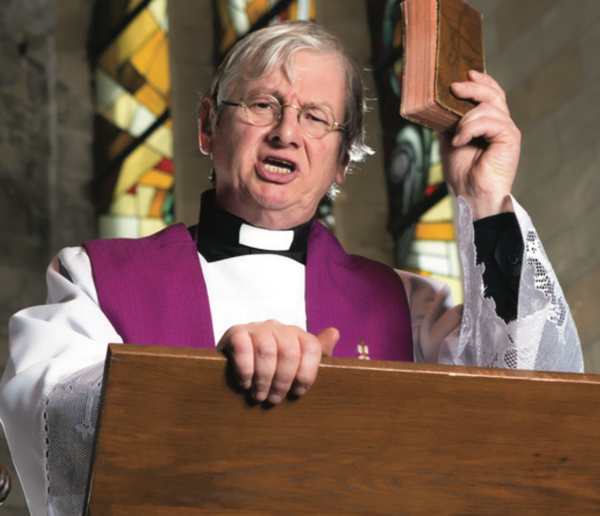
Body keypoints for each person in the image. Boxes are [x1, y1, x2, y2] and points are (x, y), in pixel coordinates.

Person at [0, 21, 583, 516]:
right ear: (208, 126)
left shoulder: (405, 304)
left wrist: (484, 198)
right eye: (263, 105)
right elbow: (48, 414)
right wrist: (212, 381)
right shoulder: (97, 277)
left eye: (315, 117)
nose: (287, 133)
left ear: (342, 164)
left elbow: (533, 405)